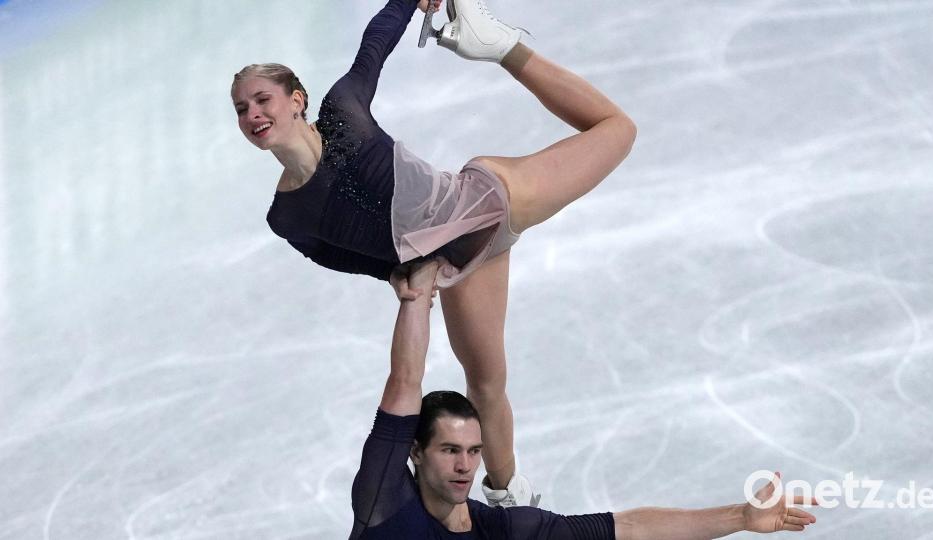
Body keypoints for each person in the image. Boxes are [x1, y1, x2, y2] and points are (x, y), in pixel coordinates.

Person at [231, 0, 636, 505]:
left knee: (617, 129)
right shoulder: (286, 217)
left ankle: (501, 47)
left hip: (489, 201)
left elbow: (375, 44)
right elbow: (336, 255)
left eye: (262, 100)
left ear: (297, 100)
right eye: (242, 109)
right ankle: (510, 499)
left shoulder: (342, 111)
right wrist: (397, 273)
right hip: (458, 266)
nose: (253, 114)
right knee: (486, 385)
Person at [351, 259, 818, 539]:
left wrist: (740, 516)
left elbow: (629, 528)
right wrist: (416, 295)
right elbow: (405, 381)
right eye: (450, 450)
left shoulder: (501, 530)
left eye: (474, 451)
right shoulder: (385, 501)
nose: (465, 466)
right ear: (415, 451)